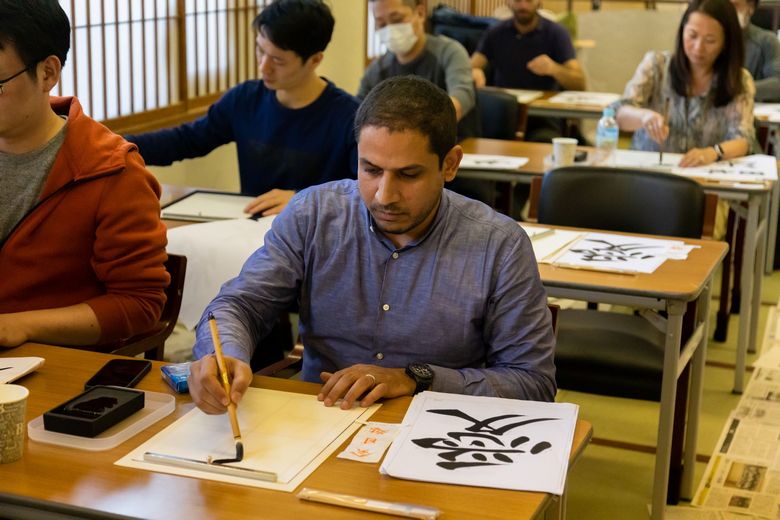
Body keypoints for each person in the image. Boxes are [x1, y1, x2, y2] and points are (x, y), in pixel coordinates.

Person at [188, 76, 556, 415]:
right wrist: (224, 356)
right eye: (371, 169)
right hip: (320, 418)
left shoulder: (499, 245)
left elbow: (532, 382)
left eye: (408, 175)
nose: (384, 195)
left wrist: (416, 378)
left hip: (440, 427)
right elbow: (241, 304)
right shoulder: (313, 215)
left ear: (450, 164)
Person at [0, 0, 168, 350]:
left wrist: (20, 325)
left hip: (50, 368)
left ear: (48, 73)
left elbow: (139, 303)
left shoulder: (110, 170)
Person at [126, 0, 359, 217]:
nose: (263, 66)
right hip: (250, 228)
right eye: (260, 50)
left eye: (278, 60)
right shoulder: (245, 99)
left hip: (318, 234)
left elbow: (366, 189)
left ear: (315, 60)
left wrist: (305, 199)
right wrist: (117, 145)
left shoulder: (349, 117)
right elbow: (186, 140)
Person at [614, 0, 756, 167]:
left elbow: (744, 139)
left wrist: (712, 153)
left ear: (726, 43)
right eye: (692, 35)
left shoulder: (739, 79)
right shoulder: (656, 66)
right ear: (682, 31)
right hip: (648, 175)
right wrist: (644, 117)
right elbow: (618, 113)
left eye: (710, 40)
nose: (698, 48)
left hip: (703, 179)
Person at [470, 0, 585, 142]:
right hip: (502, 117)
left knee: (544, 141)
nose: (523, 6)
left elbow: (579, 82)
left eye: (529, 0)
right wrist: (474, 72)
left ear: (538, 2)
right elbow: (470, 67)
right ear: (508, 2)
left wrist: (554, 68)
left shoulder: (557, 33)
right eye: (518, 0)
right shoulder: (495, 32)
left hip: (543, 120)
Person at [359, 0, 477, 138]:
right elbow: (359, 111)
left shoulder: (449, 52)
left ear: (420, 13)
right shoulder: (378, 69)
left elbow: (463, 96)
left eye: (397, 19)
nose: (390, 29)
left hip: (453, 144)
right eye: (381, 24)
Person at [731, 0, 780, 101]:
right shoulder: (705, 41)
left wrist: (740, 89)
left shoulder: (767, 41)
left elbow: (778, 83)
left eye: (734, 6)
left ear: (750, 7)